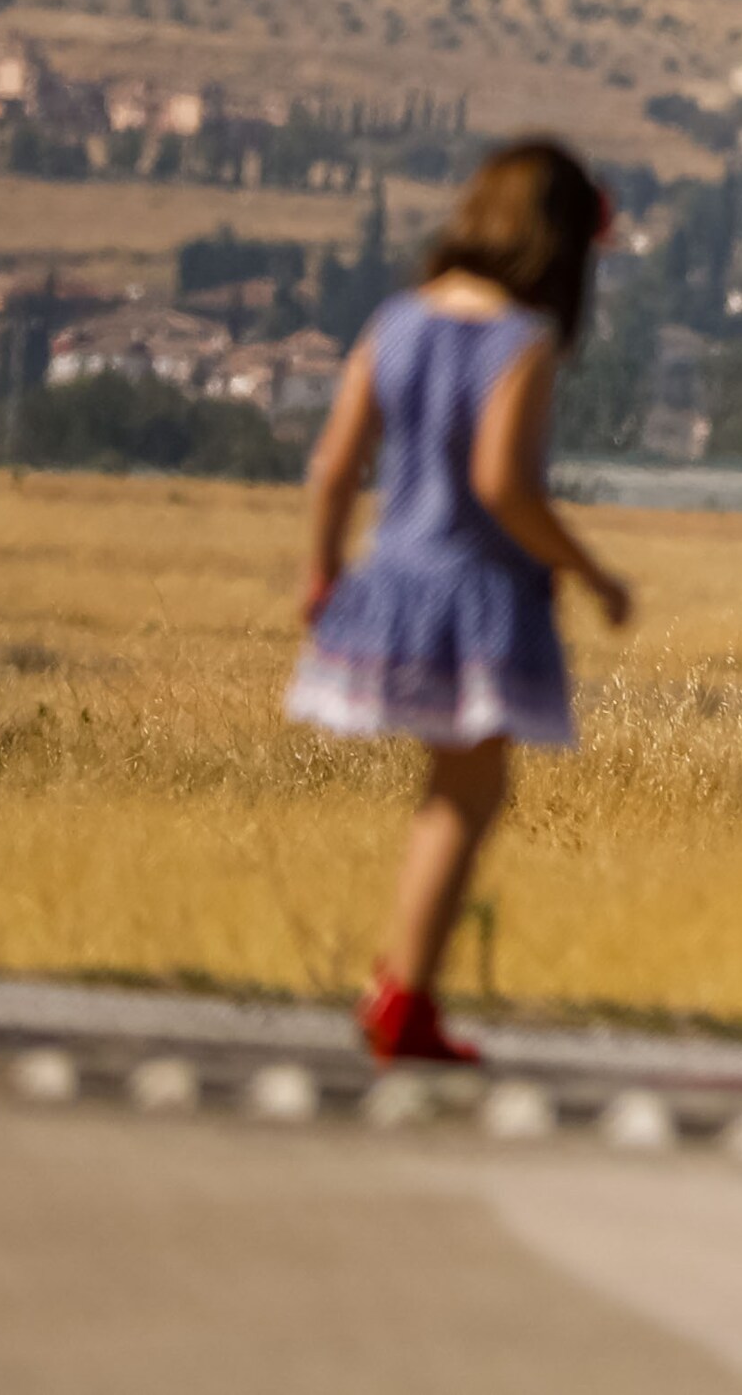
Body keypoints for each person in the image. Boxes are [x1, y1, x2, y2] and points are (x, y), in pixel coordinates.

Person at [287, 138, 636, 1066]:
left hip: (390, 578)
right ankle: (408, 998)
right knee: (465, 798)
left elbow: (334, 464)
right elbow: (504, 487)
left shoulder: (395, 321)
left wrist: (322, 572)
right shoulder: (521, 343)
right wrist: (592, 573)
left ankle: (395, 977)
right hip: (477, 597)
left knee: (442, 794)